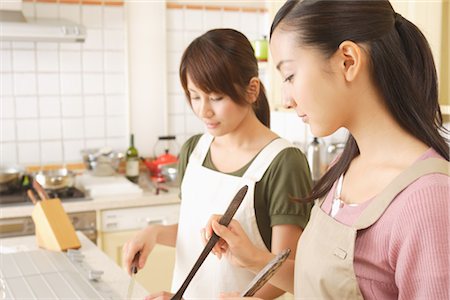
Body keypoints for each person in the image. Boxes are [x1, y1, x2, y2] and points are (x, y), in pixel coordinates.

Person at [204, 1, 450, 299]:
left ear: (347, 61)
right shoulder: (342, 169)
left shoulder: (428, 199)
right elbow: (322, 284)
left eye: (290, 76)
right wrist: (252, 257)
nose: (286, 99)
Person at [122, 28, 313, 299]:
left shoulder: (283, 162)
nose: (203, 111)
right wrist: (153, 233)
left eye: (216, 97)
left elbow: (283, 272)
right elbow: (195, 232)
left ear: (251, 89)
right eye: (195, 96)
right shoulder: (194, 150)